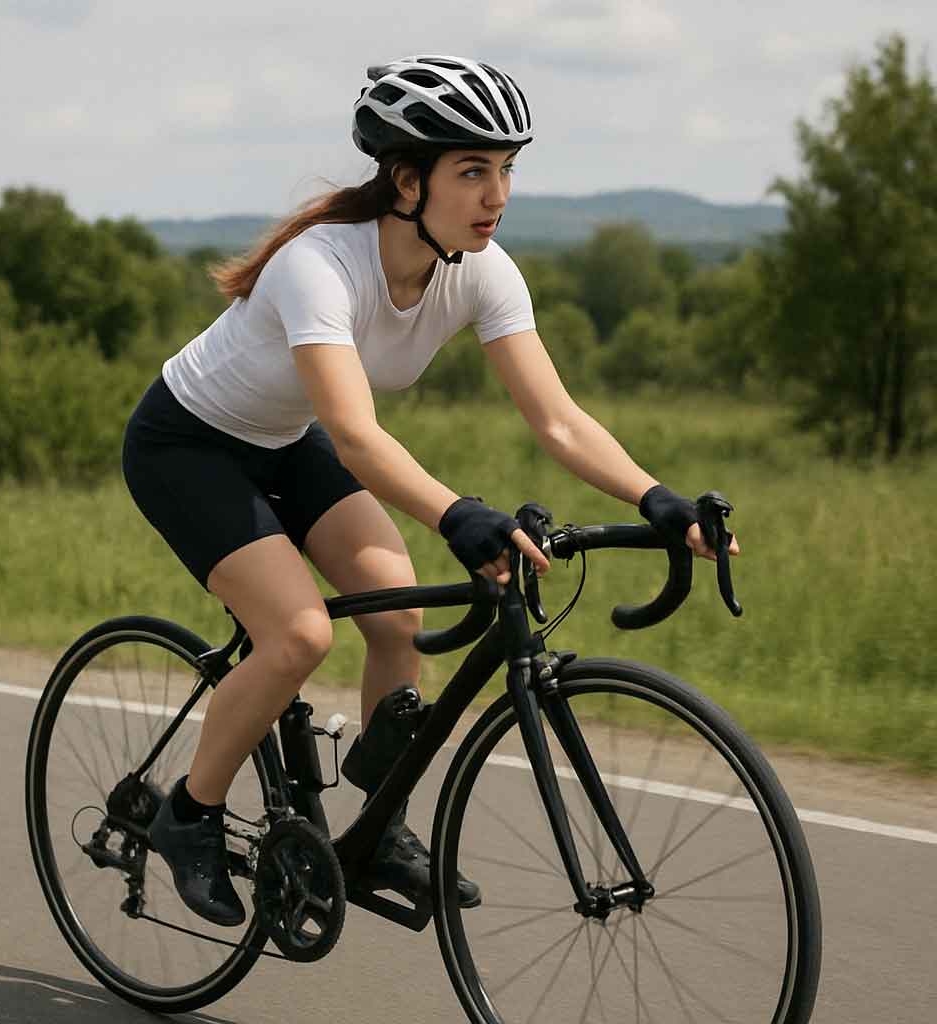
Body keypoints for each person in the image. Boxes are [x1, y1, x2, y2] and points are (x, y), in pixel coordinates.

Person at [121, 53, 740, 927]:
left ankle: (379, 829)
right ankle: (189, 813)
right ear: (408, 181)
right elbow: (357, 433)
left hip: (286, 441)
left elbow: (558, 420)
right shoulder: (318, 265)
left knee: (399, 616)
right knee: (298, 634)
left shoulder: (482, 270)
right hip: (188, 445)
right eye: (474, 171)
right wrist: (457, 514)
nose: (498, 195)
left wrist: (656, 498)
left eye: (507, 169)